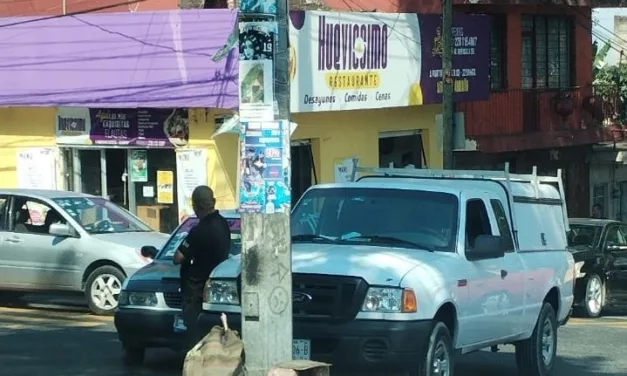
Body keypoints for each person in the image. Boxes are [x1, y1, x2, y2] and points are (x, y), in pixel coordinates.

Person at [174, 185, 231, 348]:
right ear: (213, 202)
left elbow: (178, 257)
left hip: (196, 292)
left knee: (196, 341)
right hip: (216, 291)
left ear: (196, 205)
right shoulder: (223, 224)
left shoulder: (200, 230)